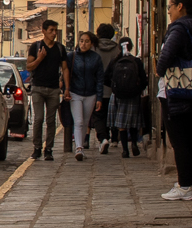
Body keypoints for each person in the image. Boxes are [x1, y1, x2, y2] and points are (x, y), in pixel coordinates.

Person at [154, 0, 192, 199]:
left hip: (176, 91)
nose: (168, 11)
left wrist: (159, 70)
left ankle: (185, 186)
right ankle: (187, 183)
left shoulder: (179, 29)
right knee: (189, 139)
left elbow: (166, 56)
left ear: (180, 6)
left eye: (169, 7)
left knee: (179, 141)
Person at [24, 19, 70, 160]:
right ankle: (37, 147)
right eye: (51, 30)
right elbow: (29, 66)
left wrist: (67, 88)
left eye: (55, 30)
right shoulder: (36, 46)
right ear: (44, 31)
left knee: (51, 121)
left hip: (54, 89)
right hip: (38, 87)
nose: (54, 33)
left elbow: (65, 68)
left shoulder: (60, 48)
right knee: (38, 119)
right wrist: (40, 58)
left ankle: (48, 149)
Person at [104, 40, 149, 161]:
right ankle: (134, 143)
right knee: (133, 122)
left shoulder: (115, 61)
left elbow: (105, 77)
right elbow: (144, 80)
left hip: (118, 95)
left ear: (119, 47)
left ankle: (125, 150)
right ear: (132, 47)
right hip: (133, 95)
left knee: (121, 124)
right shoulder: (136, 61)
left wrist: (115, 87)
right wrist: (137, 89)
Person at [66, 31, 104, 160]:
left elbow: (100, 79)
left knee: (86, 122)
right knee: (79, 121)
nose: (83, 44)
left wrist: (99, 97)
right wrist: (66, 89)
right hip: (75, 92)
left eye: (87, 41)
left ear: (91, 43)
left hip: (91, 94)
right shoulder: (72, 56)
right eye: (81, 41)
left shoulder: (96, 58)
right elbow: (65, 72)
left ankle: (81, 146)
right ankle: (79, 148)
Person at [94, 24, 124, 153]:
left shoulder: (94, 48)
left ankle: (103, 138)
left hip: (98, 88)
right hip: (114, 88)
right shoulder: (117, 49)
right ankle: (115, 139)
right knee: (114, 113)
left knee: (99, 115)